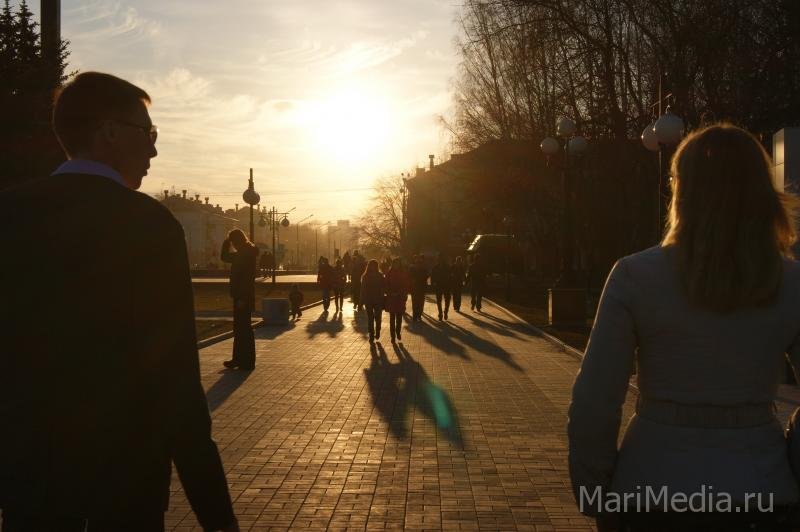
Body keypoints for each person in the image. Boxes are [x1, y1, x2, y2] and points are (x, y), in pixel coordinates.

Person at [0, 72, 237, 530]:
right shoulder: (148, 225)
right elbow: (176, 378)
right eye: (147, 133)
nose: (153, 150)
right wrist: (217, 516)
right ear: (108, 131)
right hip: (128, 482)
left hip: (31, 479)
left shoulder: (9, 214)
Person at [568, 123, 800, 531]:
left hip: (652, 487)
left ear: (681, 190)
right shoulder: (791, 283)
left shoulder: (635, 276)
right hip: (761, 490)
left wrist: (595, 489)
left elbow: (596, 399)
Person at [221, 229, 258, 371]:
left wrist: (242, 297)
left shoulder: (246, 254)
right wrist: (227, 241)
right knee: (240, 328)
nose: (233, 245)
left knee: (244, 329)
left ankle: (246, 361)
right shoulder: (243, 252)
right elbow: (224, 257)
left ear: (238, 240)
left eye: (233, 242)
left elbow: (246, 279)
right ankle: (239, 359)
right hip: (240, 296)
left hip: (243, 297)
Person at [385, 257, 411, 342]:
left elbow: (406, 284)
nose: (396, 265)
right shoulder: (389, 273)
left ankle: (398, 332)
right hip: (392, 298)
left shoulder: (403, 273)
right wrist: (389, 292)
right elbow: (386, 284)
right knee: (392, 318)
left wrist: (403, 293)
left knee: (399, 318)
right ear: (392, 264)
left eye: (397, 264)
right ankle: (392, 336)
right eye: (395, 264)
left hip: (400, 298)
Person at [360, 259, 386, 343]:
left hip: (378, 299)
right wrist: (361, 301)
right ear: (369, 266)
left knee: (378, 317)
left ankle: (378, 330)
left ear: (377, 266)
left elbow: (383, 287)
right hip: (368, 300)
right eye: (371, 265)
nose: (373, 267)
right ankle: (371, 334)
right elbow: (363, 289)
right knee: (370, 318)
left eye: (374, 265)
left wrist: (382, 296)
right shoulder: (365, 276)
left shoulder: (380, 276)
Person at [430, 253, 453, 320]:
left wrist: (432, 284)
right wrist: (432, 284)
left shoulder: (437, 267)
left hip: (444, 285)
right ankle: (442, 312)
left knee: (444, 300)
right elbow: (432, 276)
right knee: (441, 300)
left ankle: (443, 312)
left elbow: (432, 277)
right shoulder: (444, 267)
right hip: (441, 285)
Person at [409, 254, 428, 322]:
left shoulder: (423, 268)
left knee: (420, 302)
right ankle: (415, 315)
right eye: (416, 259)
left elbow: (426, 276)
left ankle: (418, 315)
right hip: (415, 288)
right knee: (415, 302)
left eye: (418, 259)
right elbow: (409, 276)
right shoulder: (412, 268)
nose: (417, 260)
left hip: (421, 288)